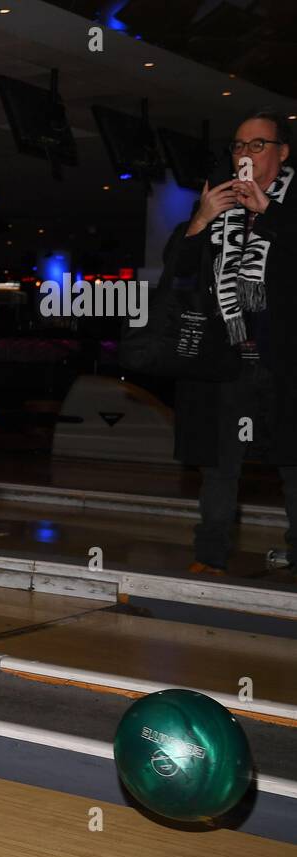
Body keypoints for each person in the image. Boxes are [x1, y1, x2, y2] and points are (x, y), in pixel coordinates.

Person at [170, 110, 297, 574]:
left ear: (282, 153)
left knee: (293, 463)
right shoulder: (217, 200)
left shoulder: (289, 202)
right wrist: (201, 219)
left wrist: (271, 213)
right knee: (220, 465)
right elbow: (179, 270)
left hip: (284, 361)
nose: (245, 154)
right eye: (239, 146)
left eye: (258, 145)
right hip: (227, 360)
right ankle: (210, 556)